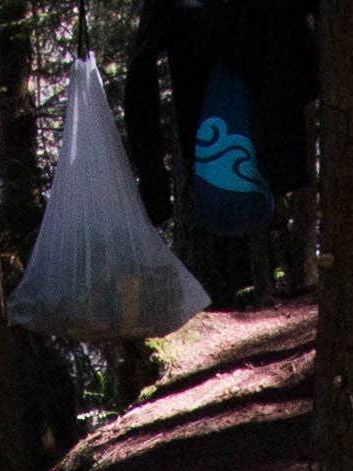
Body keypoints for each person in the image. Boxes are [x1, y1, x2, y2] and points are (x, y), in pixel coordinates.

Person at [120, 0, 314, 302]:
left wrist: (154, 182)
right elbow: (140, 77)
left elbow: (140, 78)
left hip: (225, 140)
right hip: (240, 140)